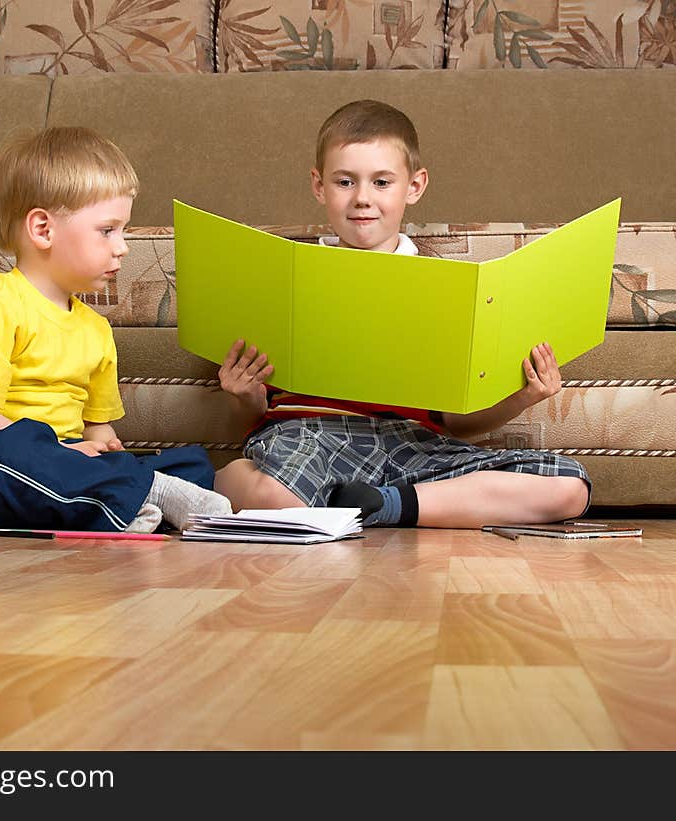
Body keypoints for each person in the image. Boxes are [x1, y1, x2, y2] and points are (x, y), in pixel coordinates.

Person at [213, 99, 590, 529]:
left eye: (381, 182)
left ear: (414, 186)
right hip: (309, 435)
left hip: (415, 445)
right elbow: (249, 419)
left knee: (568, 486)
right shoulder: (286, 277)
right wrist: (244, 395)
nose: (362, 199)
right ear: (319, 186)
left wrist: (524, 395)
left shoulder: (444, 287)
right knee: (262, 489)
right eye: (344, 182)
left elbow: (456, 423)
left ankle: (383, 505)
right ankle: (341, 506)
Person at [0, 126, 231, 533]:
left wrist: (104, 448)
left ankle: (120, 498)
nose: (122, 246)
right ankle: (128, 498)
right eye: (108, 230)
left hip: (63, 460)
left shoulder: (95, 329)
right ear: (43, 230)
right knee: (15, 458)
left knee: (189, 463)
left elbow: (96, 426)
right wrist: (58, 453)